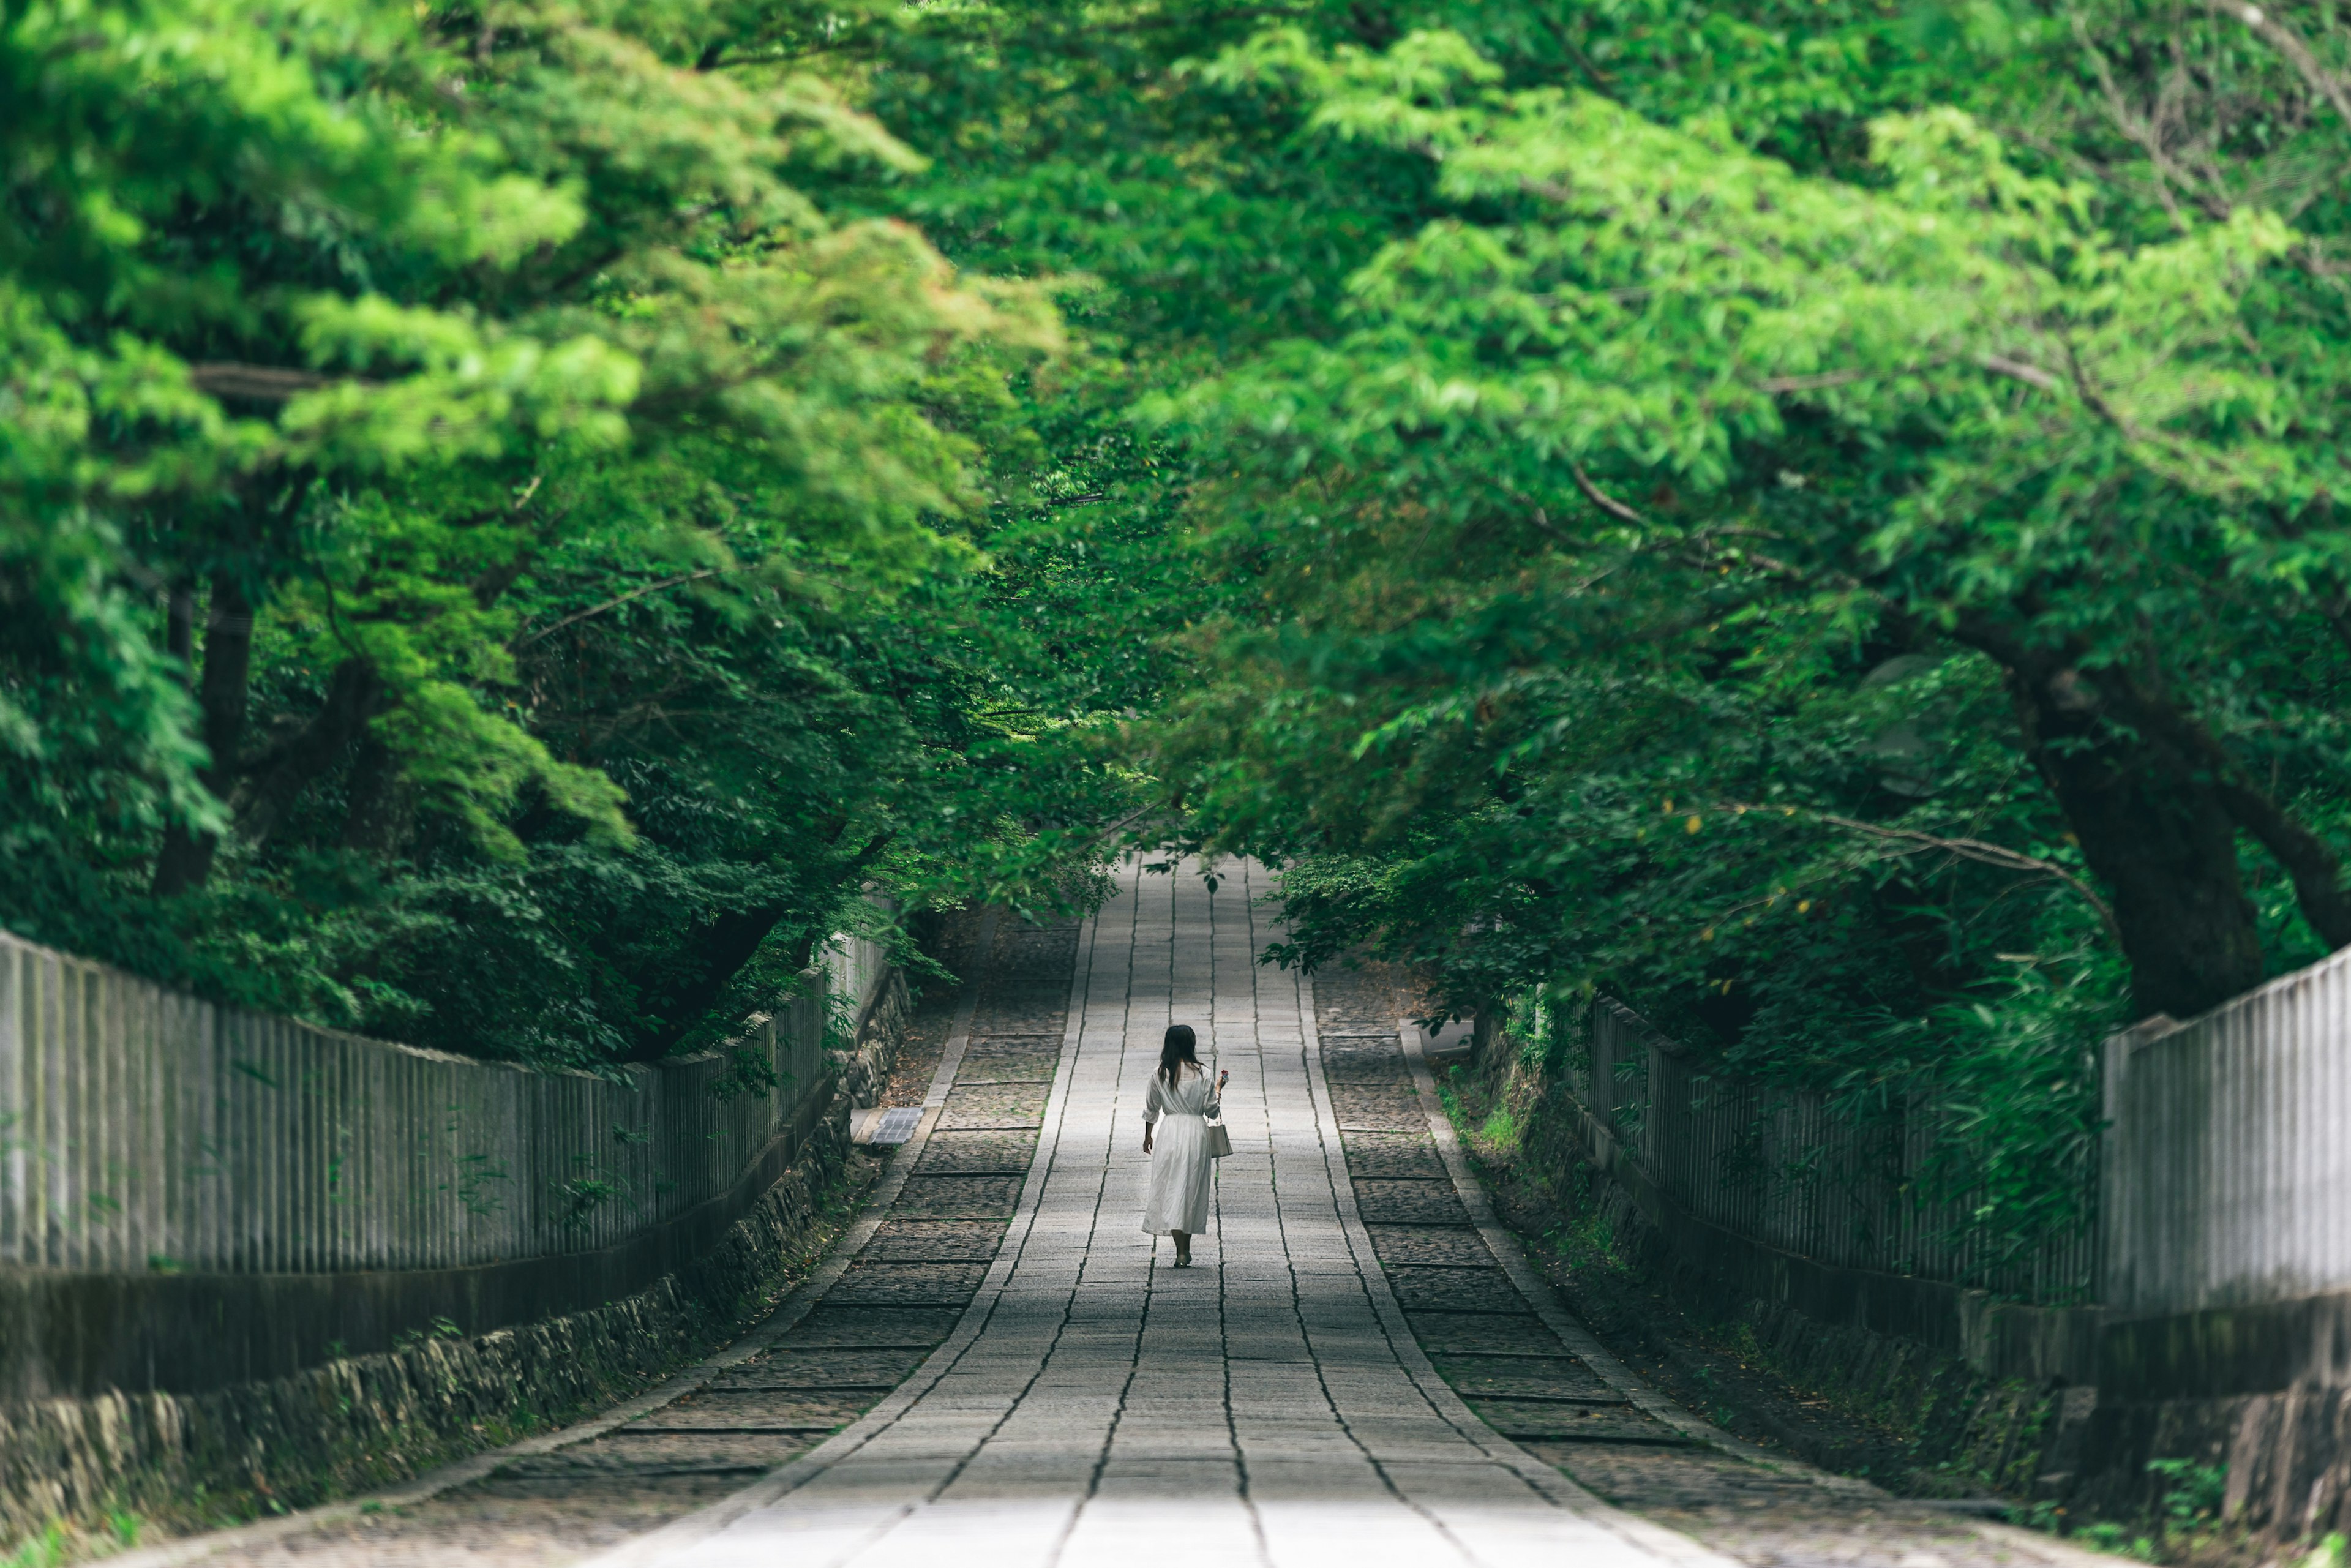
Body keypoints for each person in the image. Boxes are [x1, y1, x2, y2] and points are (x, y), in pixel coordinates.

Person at [1141, 1024, 1226, 1267]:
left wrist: (1148, 1136)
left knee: (1172, 1188)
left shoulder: (1160, 1073)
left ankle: (1181, 1251)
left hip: (1170, 1131)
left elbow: (1151, 1108)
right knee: (1191, 1190)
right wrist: (1219, 1088)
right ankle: (1184, 1249)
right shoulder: (1204, 1073)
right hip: (1196, 1132)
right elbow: (1212, 1109)